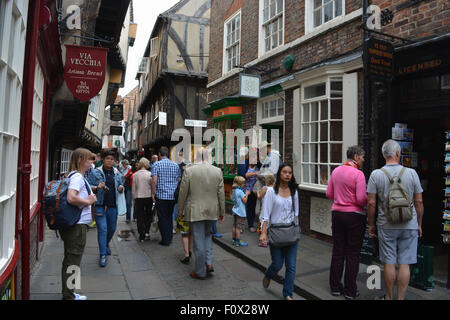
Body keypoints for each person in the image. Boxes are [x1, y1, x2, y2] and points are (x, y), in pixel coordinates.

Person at [367, 139, 424, 300]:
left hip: (386, 225)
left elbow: (371, 202)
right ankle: (401, 298)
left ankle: (389, 297)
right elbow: (419, 201)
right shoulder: (412, 173)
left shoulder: (376, 175)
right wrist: (419, 223)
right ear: (398, 154)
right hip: (409, 223)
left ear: (384, 154)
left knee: (389, 262)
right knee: (404, 263)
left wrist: (371, 225)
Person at [326, 146, 367, 300]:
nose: (363, 160)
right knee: (352, 253)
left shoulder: (336, 171)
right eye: (362, 157)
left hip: (337, 214)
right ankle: (351, 290)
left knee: (338, 251)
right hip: (354, 216)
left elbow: (329, 193)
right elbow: (361, 198)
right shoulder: (359, 174)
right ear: (356, 156)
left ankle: (335, 287)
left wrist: (341, 198)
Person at [177, 148, 225, 280]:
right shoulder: (217, 171)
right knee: (208, 236)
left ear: (196, 157)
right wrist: (222, 211)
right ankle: (209, 263)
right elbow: (220, 193)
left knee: (198, 241)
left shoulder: (189, 170)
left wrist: (180, 210)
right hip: (212, 209)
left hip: (195, 210)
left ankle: (200, 271)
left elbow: (183, 193)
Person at [259, 163, 299, 300]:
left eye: (290, 172)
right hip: (276, 233)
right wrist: (263, 232)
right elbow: (265, 213)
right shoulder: (271, 192)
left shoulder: (294, 192)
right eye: (285, 172)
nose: (288, 174)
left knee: (291, 266)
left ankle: (288, 294)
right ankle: (269, 274)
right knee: (277, 264)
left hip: (291, 233)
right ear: (279, 174)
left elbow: (296, 213)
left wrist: (296, 230)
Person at [63, 148, 97, 300]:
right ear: (80, 160)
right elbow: (71, 198)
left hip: (75, 225)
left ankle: (70, 292)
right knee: (73, 262)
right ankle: (69, 296)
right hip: (77, 227)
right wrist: (88, 201)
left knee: (70, 260)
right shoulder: (77, 177)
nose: (91, 162)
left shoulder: (72, 175)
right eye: (89, 159)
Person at [87, 149, 126, 267]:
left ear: (114, 161)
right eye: (107, 158)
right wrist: (97, 187)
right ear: (103, 159)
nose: (110, 161)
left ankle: (106, 244)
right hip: (100, 205)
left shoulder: (117, 173)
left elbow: (121, 185)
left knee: (112, 228)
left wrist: (120, 187)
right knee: (103, 229)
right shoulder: (95, 173)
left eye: (112, 159)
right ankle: (102, 254)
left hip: (113, 206)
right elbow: (88, 187)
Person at [151, 146, 182, 246]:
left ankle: (166, 239)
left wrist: (152, 193)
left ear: (159, 154)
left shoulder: (156, 164)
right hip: (172, 196)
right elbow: (179, 179)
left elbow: (154, 180)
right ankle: (169, 237)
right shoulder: (175, 165)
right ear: (167, 154)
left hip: (161, 195)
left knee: (162, 218)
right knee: (169, 217)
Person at [239, 147, 261, 233]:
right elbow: (242, 175)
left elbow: (263, 171)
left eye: (256, 156)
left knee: (252, 207)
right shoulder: (244, 162)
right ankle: (239, 226)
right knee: (242, 207)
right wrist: (254, 173)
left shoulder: (258, 164)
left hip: (254, 189)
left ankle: (250, 225)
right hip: (244, 189)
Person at [132, 157, 153, 242]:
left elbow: (134, 189)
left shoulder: (135, 175)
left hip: (139, 197)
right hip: (148, 196)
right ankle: (147, 232)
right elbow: (152, 187)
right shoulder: (150, 174)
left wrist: (134, 199)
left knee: (140, 216)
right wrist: (153, 195)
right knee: (148, 215)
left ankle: (141, 235)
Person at [231, 176, 251, 247]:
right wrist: (247, 194)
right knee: (238, 227)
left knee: (234, 225)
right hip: (240, 212)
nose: (244, 185)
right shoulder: (240, 192)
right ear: (240, 184)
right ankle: (238, 241)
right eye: (243, 183)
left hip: (235, 210)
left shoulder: (234, 190)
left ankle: (233, 240)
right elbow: (245, 201)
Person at [257, 174, 275, 247]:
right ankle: (270, 239)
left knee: (264, 222)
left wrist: (258, 192)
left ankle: (264, 241)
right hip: (273, 207)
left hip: (266, 207)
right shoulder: (275, 188)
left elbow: (259, 197)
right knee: (270, 223)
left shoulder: (265, 188)